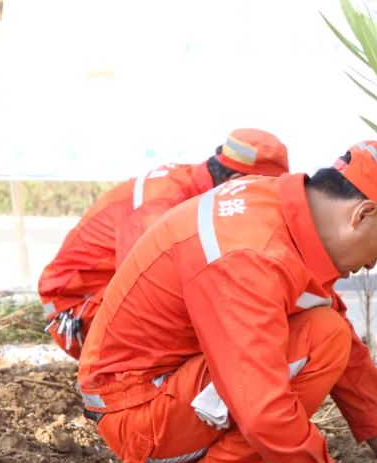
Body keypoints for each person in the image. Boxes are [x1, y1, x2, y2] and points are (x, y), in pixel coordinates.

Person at [77, 141, 377, 463]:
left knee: (327, 332)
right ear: (363, 214)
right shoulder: (251, 253)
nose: (373, 263)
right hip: (138, 414)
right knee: (321, 342)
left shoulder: (278, 213)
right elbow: (261, 404)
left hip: (156, 386)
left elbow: (339, 335)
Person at [37, 129, 290, 359]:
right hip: (77, 311)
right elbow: (140, 296)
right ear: (235, 181)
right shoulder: (161, 205)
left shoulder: (194, 187)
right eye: (262, 192)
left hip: (101, 299)